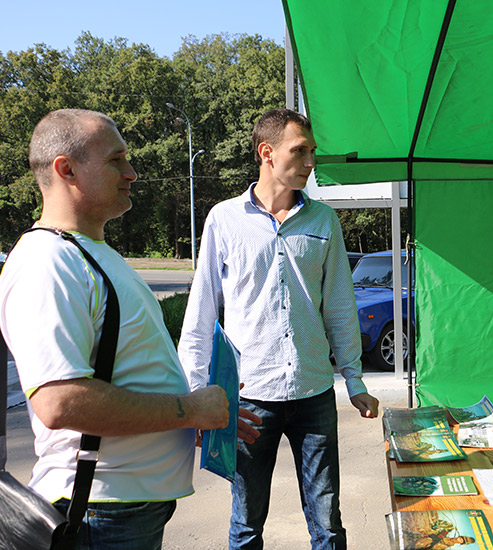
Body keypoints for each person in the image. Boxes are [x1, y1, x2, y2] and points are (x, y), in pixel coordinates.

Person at [0, 109, 260, 550]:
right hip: (98, 514)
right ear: (66, 169)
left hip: (121, 511)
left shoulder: (90, 252)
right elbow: (59, 401)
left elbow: (126, 374)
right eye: (116, 159)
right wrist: (188, 410)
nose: (132, 172)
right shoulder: (48, 261)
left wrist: (193, 422)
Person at [177, 108, 380, 550]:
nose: (311, 162)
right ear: (266, 153)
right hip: (249, 398)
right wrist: (195, 397)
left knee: (327, 522)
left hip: (313, 392)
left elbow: (340, 306)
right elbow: (201, 314)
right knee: (246, 522)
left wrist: (354, 379)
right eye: (300, 151)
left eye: (313, 152)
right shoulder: (224, 219)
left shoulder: (323, 221)